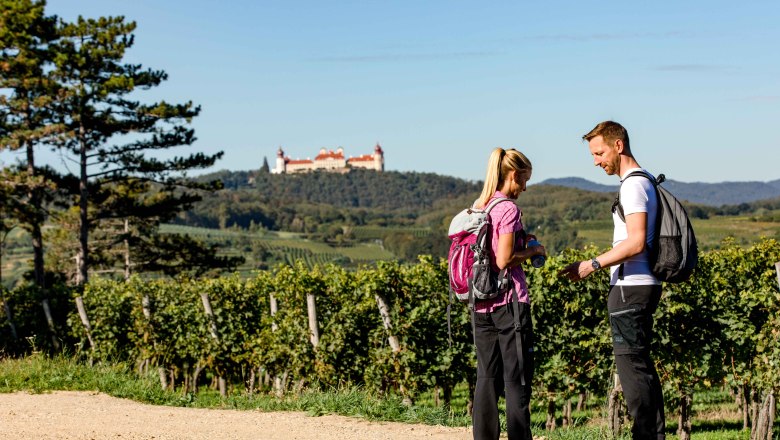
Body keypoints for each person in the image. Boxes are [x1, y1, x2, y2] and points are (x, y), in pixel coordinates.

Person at [559, 121, 666, 440]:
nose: (596, 161)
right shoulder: (646, 180)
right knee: (641, 366)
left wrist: (592, 264)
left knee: (632, 371)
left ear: (618, 146)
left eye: (599, 152)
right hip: (642, 285)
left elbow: (634, 243)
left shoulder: (633, 186)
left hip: (630, 288)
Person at [471, 147, 546, 440]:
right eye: (523, 180)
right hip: (509, 304)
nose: (524, 188)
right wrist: (533, 251)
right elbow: (503, 259)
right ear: (513, 175)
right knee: (517, 380)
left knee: (486, 378)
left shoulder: (481, 205)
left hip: (481, 303)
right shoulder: (508, 209)